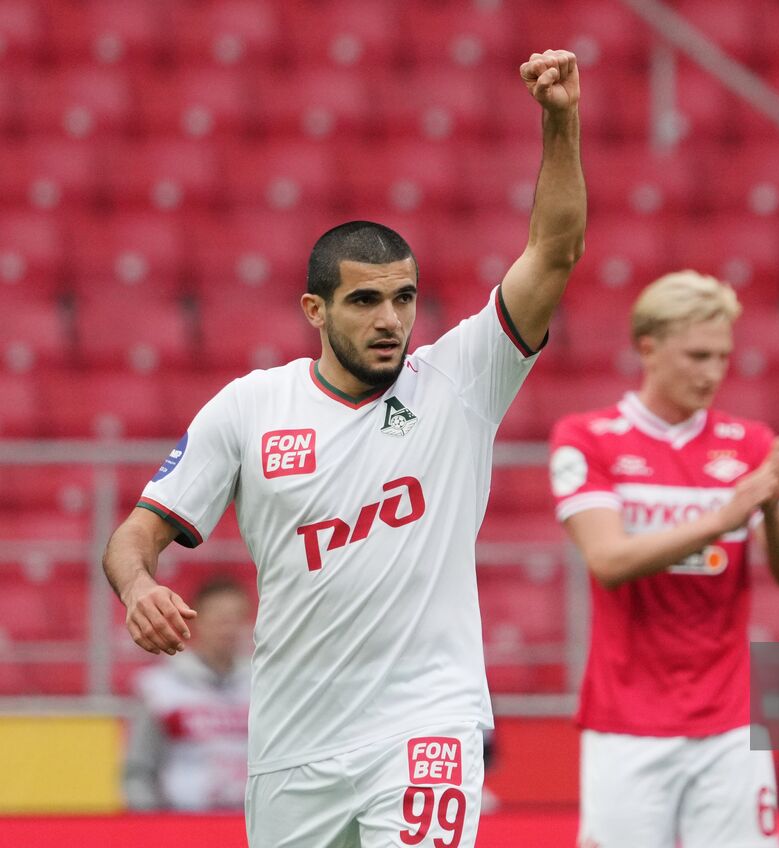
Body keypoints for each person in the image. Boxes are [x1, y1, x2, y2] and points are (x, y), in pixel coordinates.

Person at [101, 50, 585, 848]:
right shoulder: (252, 406)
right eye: (364, 300)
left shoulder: (460, 380)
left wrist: (560, 120)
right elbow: (133, 536)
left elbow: (555, 251)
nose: (390, 318)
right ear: (315, 310)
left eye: (403, 298)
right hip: (293, 743)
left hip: (426, 723)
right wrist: (139, 586)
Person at [549, 270, 779, 848]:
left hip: (729, 724)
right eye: (697, 355)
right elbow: (608, 560)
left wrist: (768, 509)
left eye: (722, 357)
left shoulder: (751, 444)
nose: (712, 372)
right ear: (648, 346)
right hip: (626, 724)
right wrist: (725, 515)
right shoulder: (588, 437)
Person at [123, 577, 253, 812]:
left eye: (236, 619)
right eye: (220, 619)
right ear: (197, 621)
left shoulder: (261, 685)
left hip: (248, 823)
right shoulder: (161, 687)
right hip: (182, 822)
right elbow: (139, 769)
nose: (229, 628)